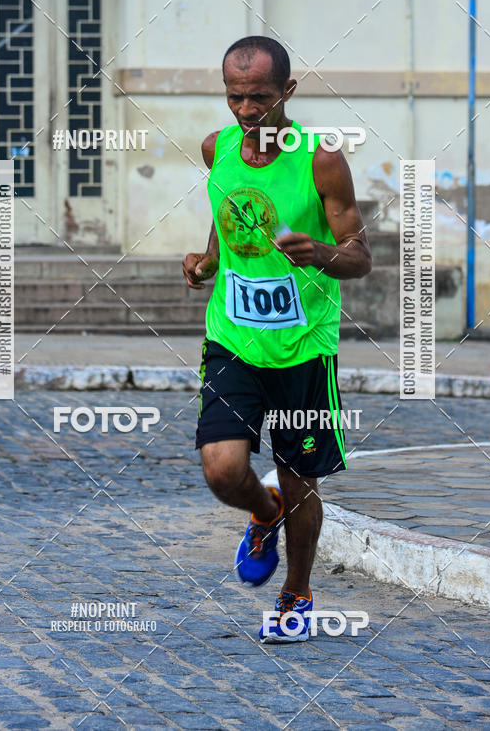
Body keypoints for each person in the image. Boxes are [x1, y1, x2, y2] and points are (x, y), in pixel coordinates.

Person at [183, 36, 372, 642]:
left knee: (299, 479)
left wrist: (320, 253)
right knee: (222, 470)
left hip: (304, 349)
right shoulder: (218, 148)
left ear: (286, 92)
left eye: (259, 98)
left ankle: (296, 595)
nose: (245, 111)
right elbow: (229, 216)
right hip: (233, 338)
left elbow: (361, 257)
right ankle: (263, 516)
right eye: (234, 96)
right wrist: (208, 264)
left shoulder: (321, 159)